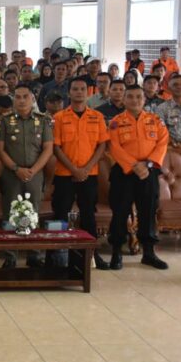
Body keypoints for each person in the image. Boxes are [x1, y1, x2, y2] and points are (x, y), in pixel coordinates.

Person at [107, 84, 169, 270]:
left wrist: (147, 164)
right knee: (120, 212)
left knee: (148, 212)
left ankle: (149, 253)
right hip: (124, 173)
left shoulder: (155, 120)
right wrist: (133, 165)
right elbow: (114, 147)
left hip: (148, 172)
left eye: (138, 97)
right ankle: (116, 252)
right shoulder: (115, 122)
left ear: (144, 99)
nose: (135, 100)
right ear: (124, 99)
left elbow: (162, 142)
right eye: (130, 97)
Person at [52, 76, 110, 269]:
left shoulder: (97, 117)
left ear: (88, 92)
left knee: (88, 215)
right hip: (64, 174)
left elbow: (102, 145)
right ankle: (58, 256)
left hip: (89, 174)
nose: (79, 92)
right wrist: (74, 169)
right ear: (69, 92)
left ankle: (92, 255)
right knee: (60, 214)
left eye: (82, 89)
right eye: (75, 89)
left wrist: (85, 169)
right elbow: (56, 148)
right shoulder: (59, 118)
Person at [0, 84, 53, 268]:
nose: (21, 100)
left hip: (35, 174)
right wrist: (15, 168)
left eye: (25, 97)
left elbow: (48, 149)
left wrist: (34, 170)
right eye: (18, 97)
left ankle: (33, 254)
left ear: (32, 99)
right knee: (11, 212)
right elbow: (0, 149)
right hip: (12, 174)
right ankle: (10, 255)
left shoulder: (43, 120)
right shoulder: (5, 121)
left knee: (32, 211)